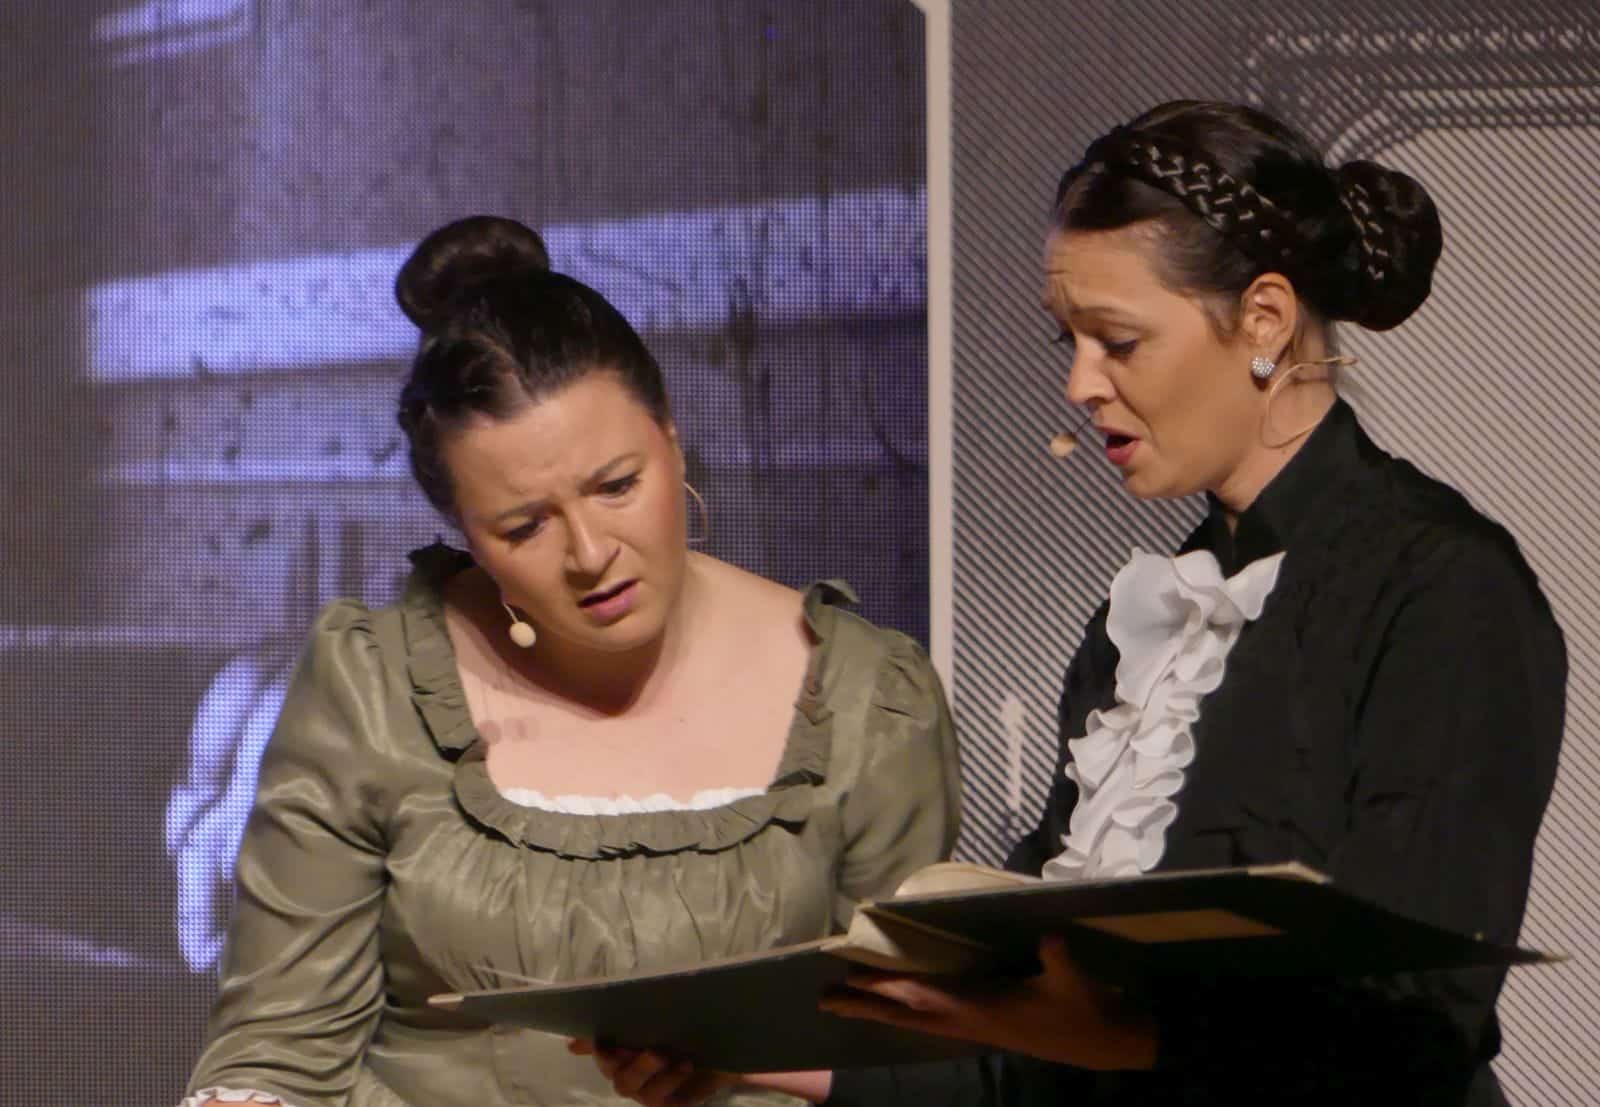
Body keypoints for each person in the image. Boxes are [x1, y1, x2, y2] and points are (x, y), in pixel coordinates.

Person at [582, 99, 1566, 1107]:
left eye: (1118, 341)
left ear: (1265, 320)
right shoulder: (1141, 626)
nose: (1080, 385)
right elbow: (1028, 1052)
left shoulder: (1442, 587)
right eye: (1070, 341)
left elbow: (1419, 1017)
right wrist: (742, 1050)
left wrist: (1124, 1039)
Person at [178, 215, 961, 1107]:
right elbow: (281, 1049)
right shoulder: (376, 685)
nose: (591, 553)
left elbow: (911, 1069)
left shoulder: (866, 699)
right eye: (523, 526)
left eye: (618, 486)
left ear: (671, 436)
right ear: (464, 531)